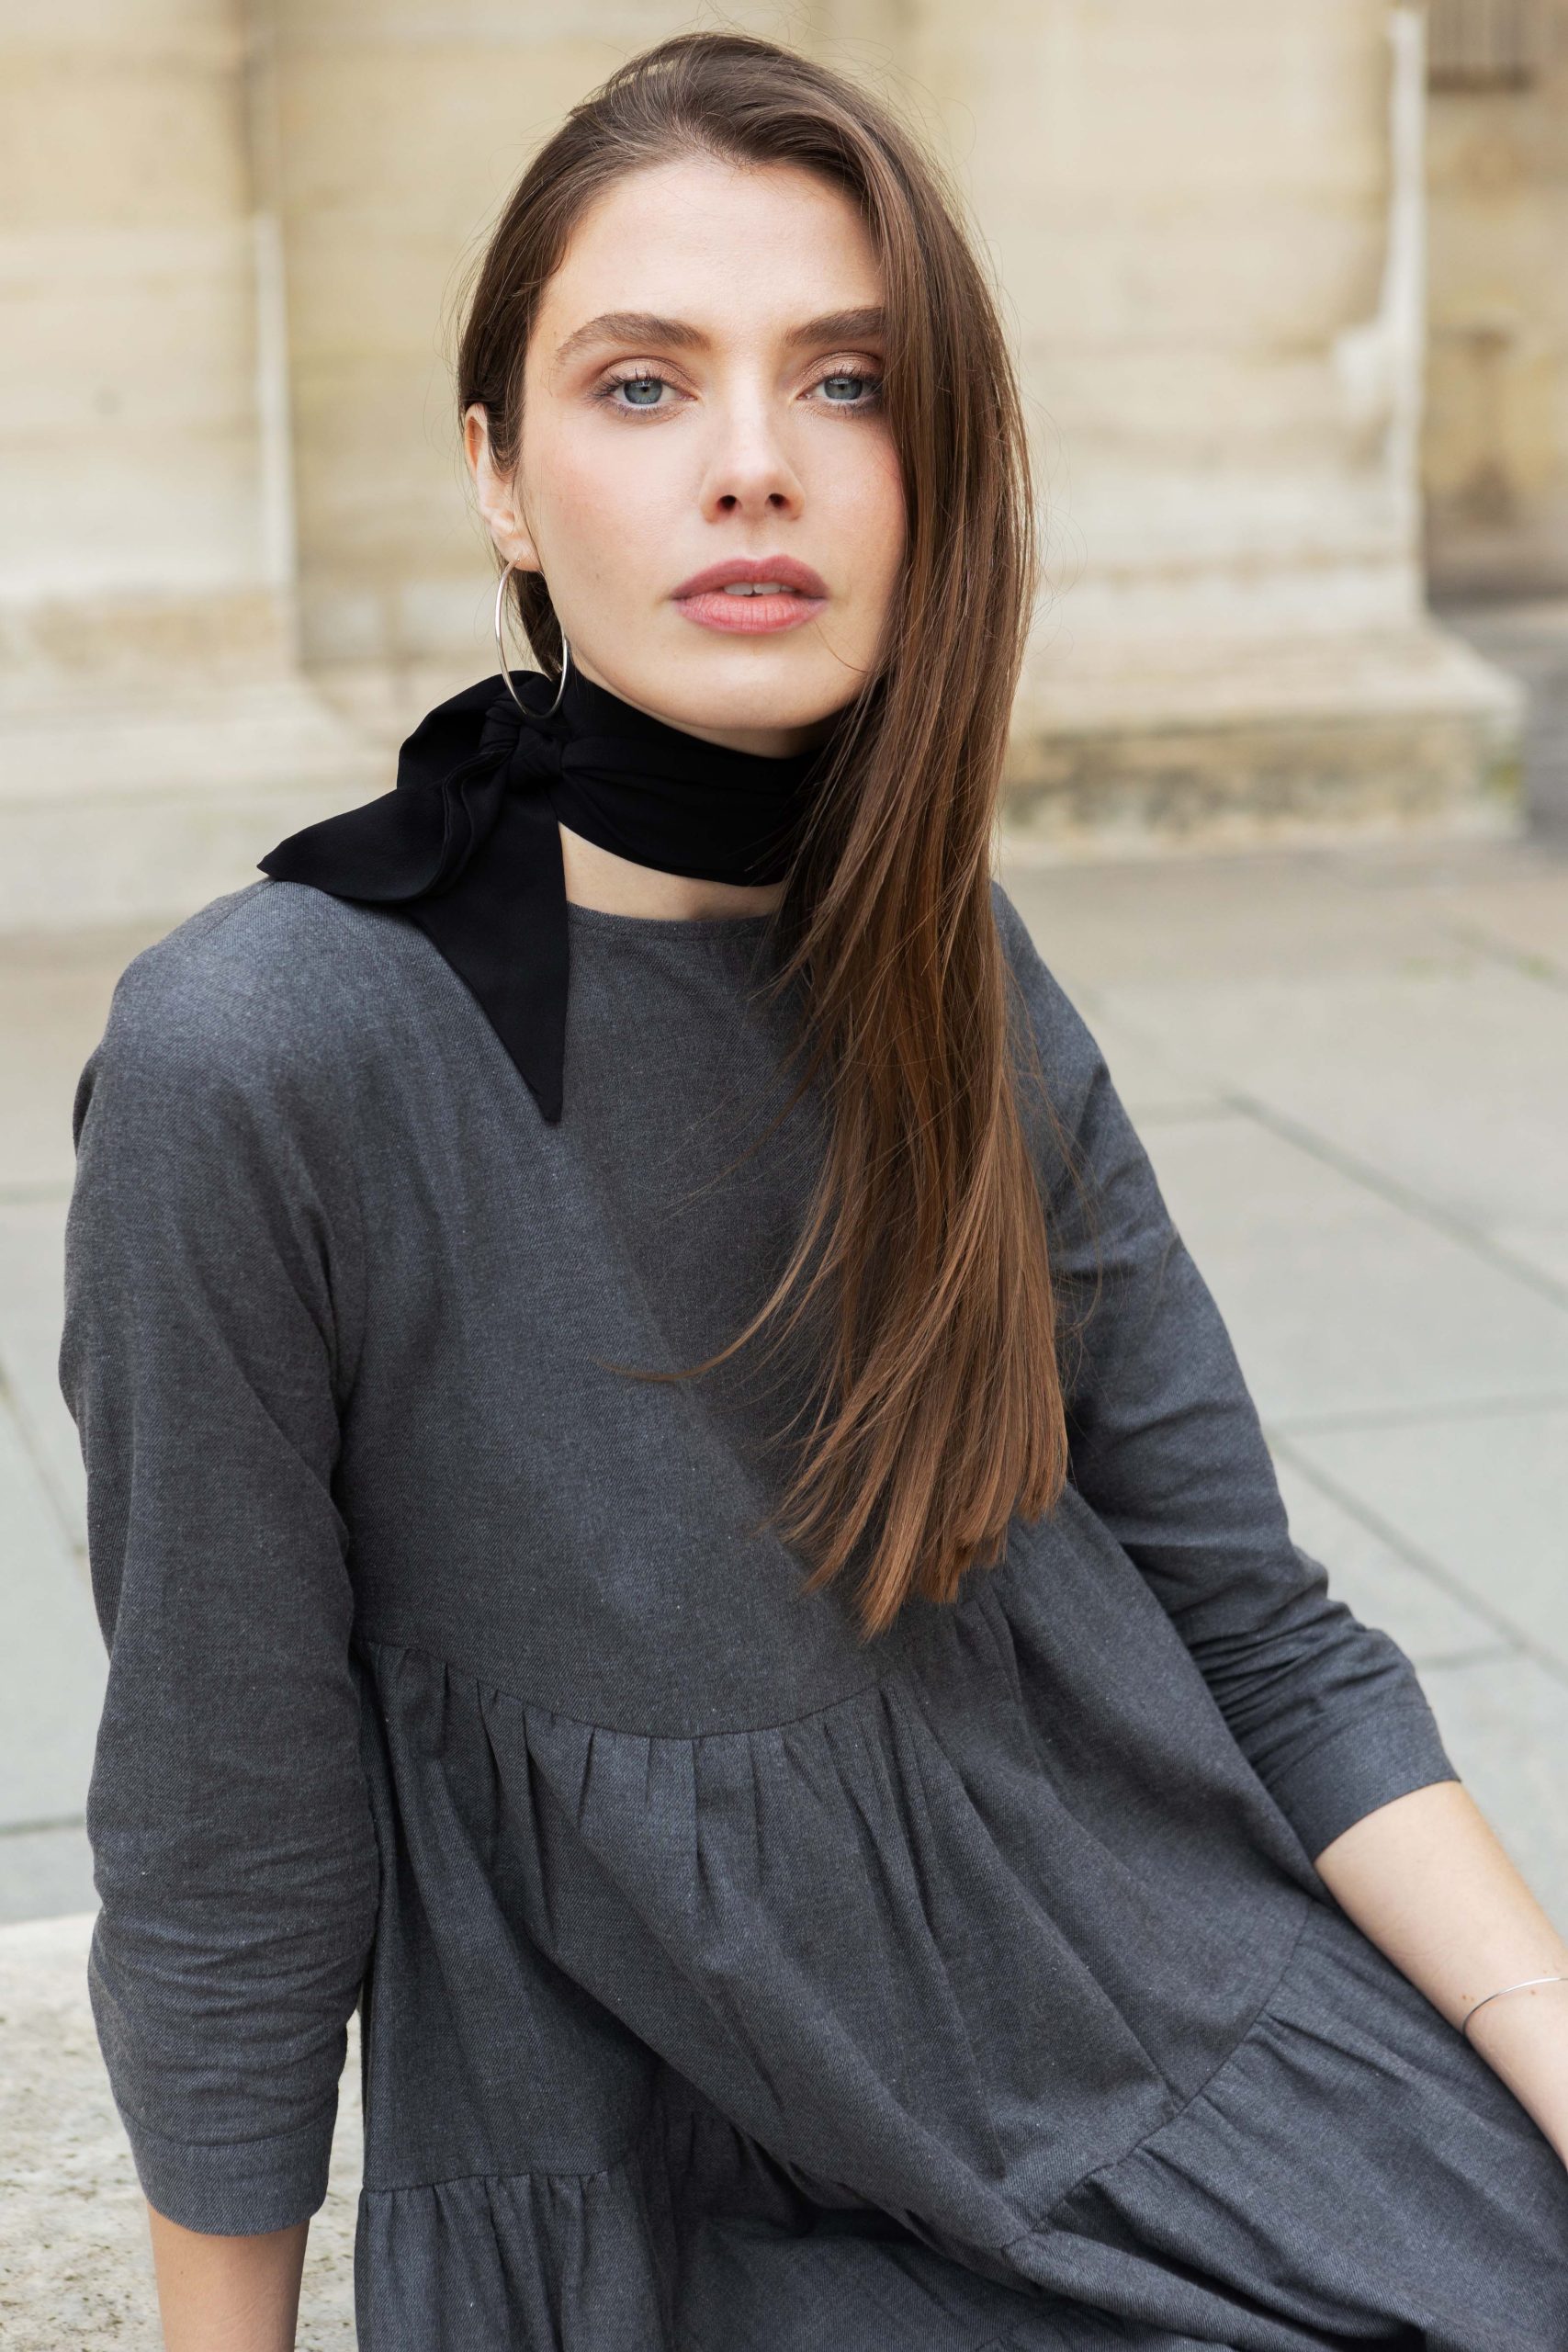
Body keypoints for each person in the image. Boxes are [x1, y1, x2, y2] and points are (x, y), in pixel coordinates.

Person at [58, 28, 1568, 2352]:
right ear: (497, 478)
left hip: (1168, 2036)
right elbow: (222, 1834)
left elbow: (1252, 1625)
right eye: (640, 384)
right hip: (667, 2191)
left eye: (844, 382)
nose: (751, 461)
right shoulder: (260, 1052)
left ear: (931, 470)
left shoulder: (947, 960)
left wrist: (1543, 2053)